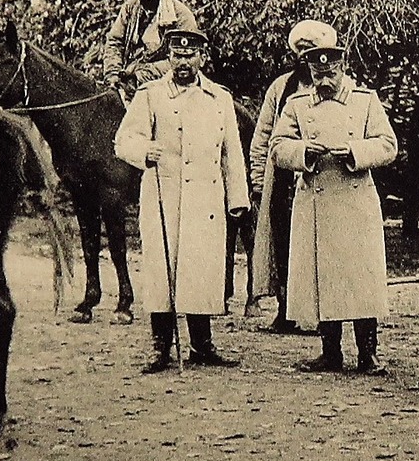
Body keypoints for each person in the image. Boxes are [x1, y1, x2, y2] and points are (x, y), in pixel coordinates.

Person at [114, 26, 250, 373]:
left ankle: (202, 345)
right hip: (164, 191)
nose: (183, 62)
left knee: (201, 267)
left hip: (205, 195)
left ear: (202, 58)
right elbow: (123, 139)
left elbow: (231, 152)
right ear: (169, 57)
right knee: (162, 267)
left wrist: (238, 198)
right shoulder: (150, 95)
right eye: (177, 55)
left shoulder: (219, 98)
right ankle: (161, 347)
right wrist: (145, 149)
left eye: (190, 55)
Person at [270, 34, 398, 374]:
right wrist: (302, 153)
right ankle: (331, 352)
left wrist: (356, 153)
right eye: (318, 74)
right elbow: (277, 147)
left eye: (331, 73)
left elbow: (388, 145)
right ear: (310, 71)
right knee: (322, 277)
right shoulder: (297, 104)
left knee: (360, 278)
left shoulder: (365, 101)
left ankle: (368, 353)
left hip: (355, 201)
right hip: (315, 201)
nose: (325, 80)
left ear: (343, 68)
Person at [247, 19, 333, 332]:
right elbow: (264, 135)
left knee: (319, 247)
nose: (305, 59)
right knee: (283, 245)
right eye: (300, 52)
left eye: (311, 52)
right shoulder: (281, 88)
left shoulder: (334, 86)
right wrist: (259, 181)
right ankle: (286, 310)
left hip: (320, 181)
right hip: (282, 180)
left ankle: (325, 317)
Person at [101, 0, 200, 99]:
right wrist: (113, 73)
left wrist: (141, 76)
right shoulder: (130, 8)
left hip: (168, 83)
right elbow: (115, 42)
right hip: (128, 78)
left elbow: (184, 59)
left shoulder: (180, 15)